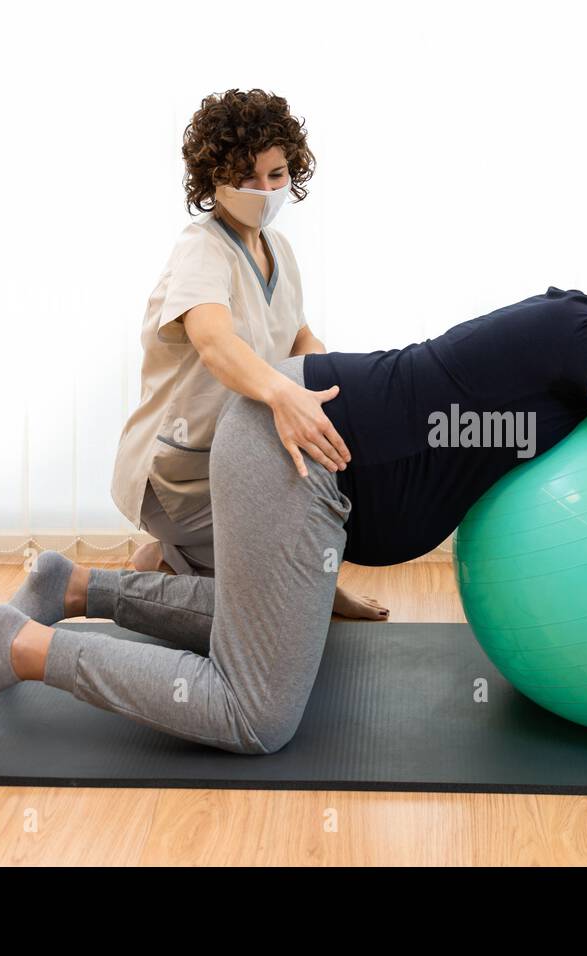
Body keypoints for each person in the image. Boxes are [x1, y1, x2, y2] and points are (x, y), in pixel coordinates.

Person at [0, 249, 587, 755]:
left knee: (282, 642)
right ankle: (20, 649)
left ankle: (76, 588)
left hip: (308, 460)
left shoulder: (584, 349)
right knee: (254, 716)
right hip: (298, 448)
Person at [113, 86, 386, 620]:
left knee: (328, 485)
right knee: (278, 588)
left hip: (233, 458)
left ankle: (171, 561)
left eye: (276, 175)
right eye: (246, 177)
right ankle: (156, 571)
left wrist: (330, 383)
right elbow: (215, 341)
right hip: (178, 474)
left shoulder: (277, 248)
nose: (264, 190)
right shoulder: (202, 249)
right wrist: (284, 394)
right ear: (213, 177)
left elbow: (299, 335)